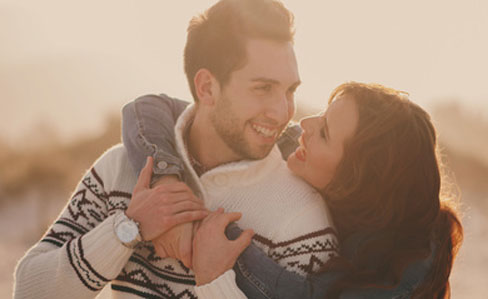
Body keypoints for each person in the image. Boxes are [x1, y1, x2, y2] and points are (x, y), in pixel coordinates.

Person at [13, 0, 338, 298]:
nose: (283, 112)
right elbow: (29, 291)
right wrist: (126, 230)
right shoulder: (122, 168)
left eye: (289, 90)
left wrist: (215, 280)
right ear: (207, 87)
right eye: (263, 88)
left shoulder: (302, 217)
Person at [121, 82, 463, 298]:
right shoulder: (305, 152)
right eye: (322, 115)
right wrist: (168, 184)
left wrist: (209, 234)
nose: (306, 126)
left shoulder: (400, 276)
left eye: (326, 132)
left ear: (357, 180)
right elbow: (146, 109)